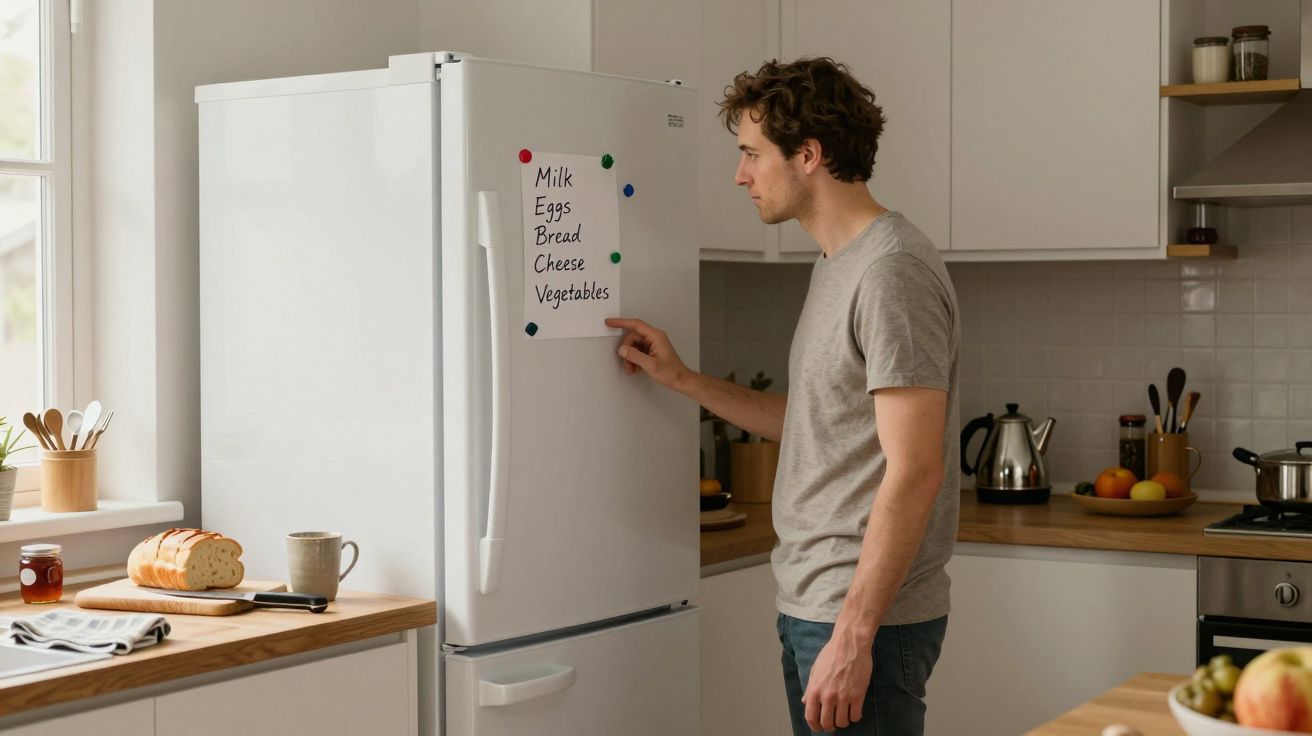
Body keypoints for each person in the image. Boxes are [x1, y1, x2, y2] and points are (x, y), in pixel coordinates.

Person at [606, 57, 960, 735]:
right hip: (815, 601)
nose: (740, 175)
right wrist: (683, 379)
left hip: (863, 619)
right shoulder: (838, 264)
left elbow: (916, 470)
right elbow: (818, 425)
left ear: (808, 155)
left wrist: (854, 636)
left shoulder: (891, 273)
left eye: (750, 154)